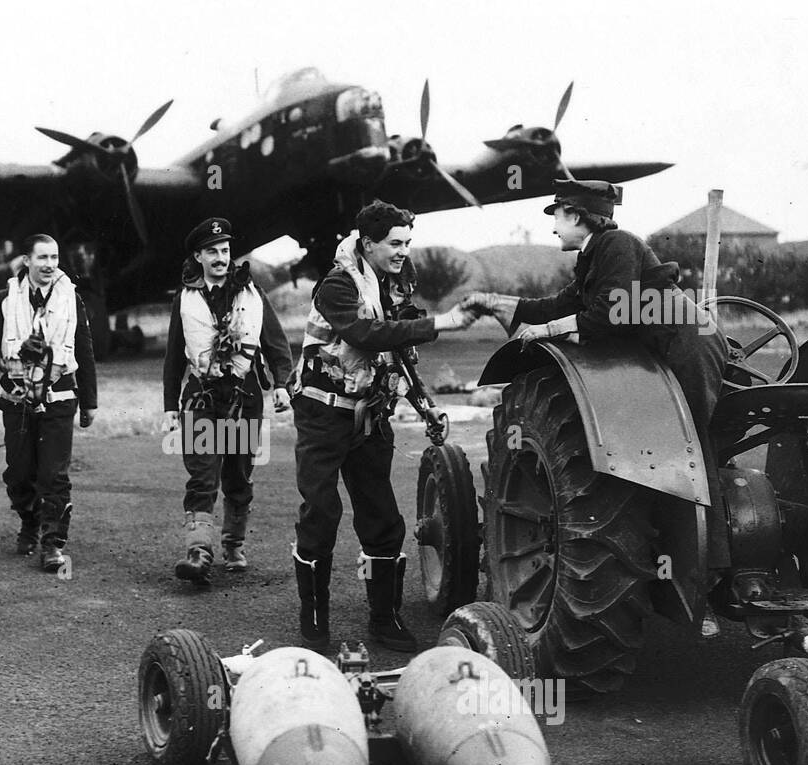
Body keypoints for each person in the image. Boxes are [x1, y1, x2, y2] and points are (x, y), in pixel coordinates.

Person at [460, 179, 730, 633]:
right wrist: (494, 304)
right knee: (671, 455)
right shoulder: (593, 256)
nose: (553, 228)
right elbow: (558, 304)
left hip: (685, 344)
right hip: (660, 346)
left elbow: (610, 313)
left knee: (693, 451)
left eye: (557, 217)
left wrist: (546, 332)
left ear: (578, 215)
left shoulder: (617, 244)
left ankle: (712, 574)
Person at [291, 200, 472, 652]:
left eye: (408, 243)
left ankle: (384, 620)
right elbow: (366, 336)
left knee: (383, 523)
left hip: (370, 415)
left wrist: (426, 405)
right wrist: (443, 322)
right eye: (394, 243)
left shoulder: (392, 285)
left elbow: (397, 355)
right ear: (367, 243)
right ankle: (314, 622)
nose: (403, 252)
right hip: (323, 416)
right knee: (321, 516)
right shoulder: (336, 285)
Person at [161, 217, 292, 583]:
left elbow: (277, 345)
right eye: (213, 252)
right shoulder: (184, 299)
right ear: (198, 256)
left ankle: (233, 543)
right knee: (202, 478)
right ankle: (199, 551)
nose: (221, 257)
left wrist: (281, 384)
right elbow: (174, 357)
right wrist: (171, 406)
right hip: (203, 400)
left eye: (225, 251)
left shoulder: (252, 294)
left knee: (238, 475)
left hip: (244, 398)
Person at [0, 233, 98, 573]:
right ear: (26, 260)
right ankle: (30, 521)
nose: (50, 265)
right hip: (18, 401)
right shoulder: (5, 298)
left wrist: (89, 401)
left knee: (54, 474)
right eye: (42, 258)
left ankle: (53, 543)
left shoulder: (72, 298)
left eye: (55, 258)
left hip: (59, 398)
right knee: (19, 472)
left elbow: (84, 349)